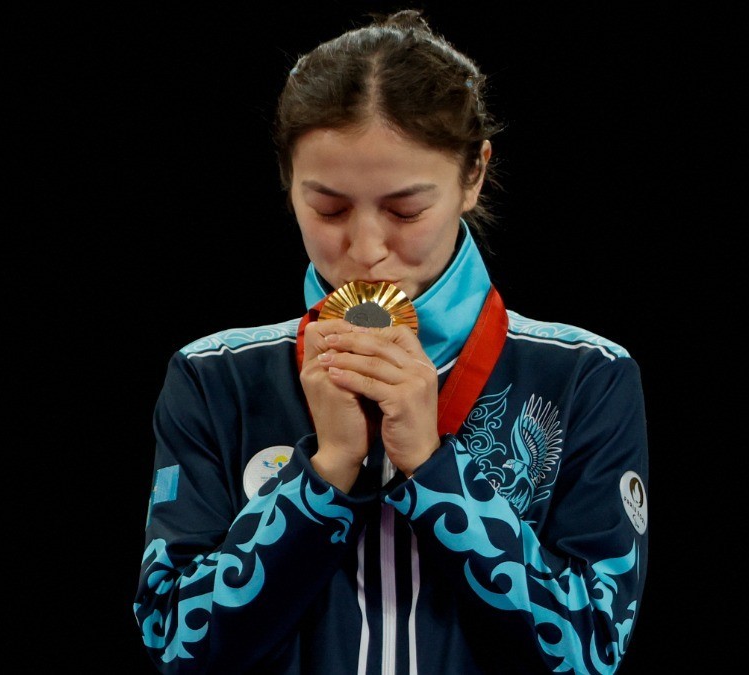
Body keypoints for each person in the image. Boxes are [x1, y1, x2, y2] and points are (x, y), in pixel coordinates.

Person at [132, 7, 649, 674]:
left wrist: (434, 467)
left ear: (474, 176)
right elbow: (178, 644)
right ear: (288, 179)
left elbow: (589, 649)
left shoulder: (585, 375)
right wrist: (326, 472)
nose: (367, 249)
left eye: (405, 210)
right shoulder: (214, 377)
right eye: (329, 208)